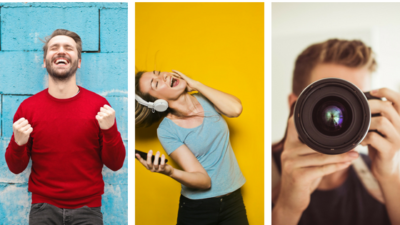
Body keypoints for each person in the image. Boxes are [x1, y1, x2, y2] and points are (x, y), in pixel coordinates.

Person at [272, 39, 400, 225]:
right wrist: (286, 209)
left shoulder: (380, 171)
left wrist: (390, 176)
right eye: (327, 95)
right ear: (295, 106)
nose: (343, 113)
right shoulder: (260, 169)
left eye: (356, 99)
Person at [5, 29, 126, 225]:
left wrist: (110, 131)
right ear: (45, 61)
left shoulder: (100, 107)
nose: (61, 51)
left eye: (68, 48)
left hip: (88, 210)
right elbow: (15, 167)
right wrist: (18, 144)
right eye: (54, 48)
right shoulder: (27, 109)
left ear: (78, 62)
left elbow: (116, 164)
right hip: (43, 209)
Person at [135, 70, 248, 225]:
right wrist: (169, 171)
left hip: (233, 201)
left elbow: (235, 109)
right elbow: (204, 181)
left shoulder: (206, 98)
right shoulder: (167, 130)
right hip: (198, 209)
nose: (164, 76)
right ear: (157, 103)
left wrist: (196, 85)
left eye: (159, 72)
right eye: (156, 83)